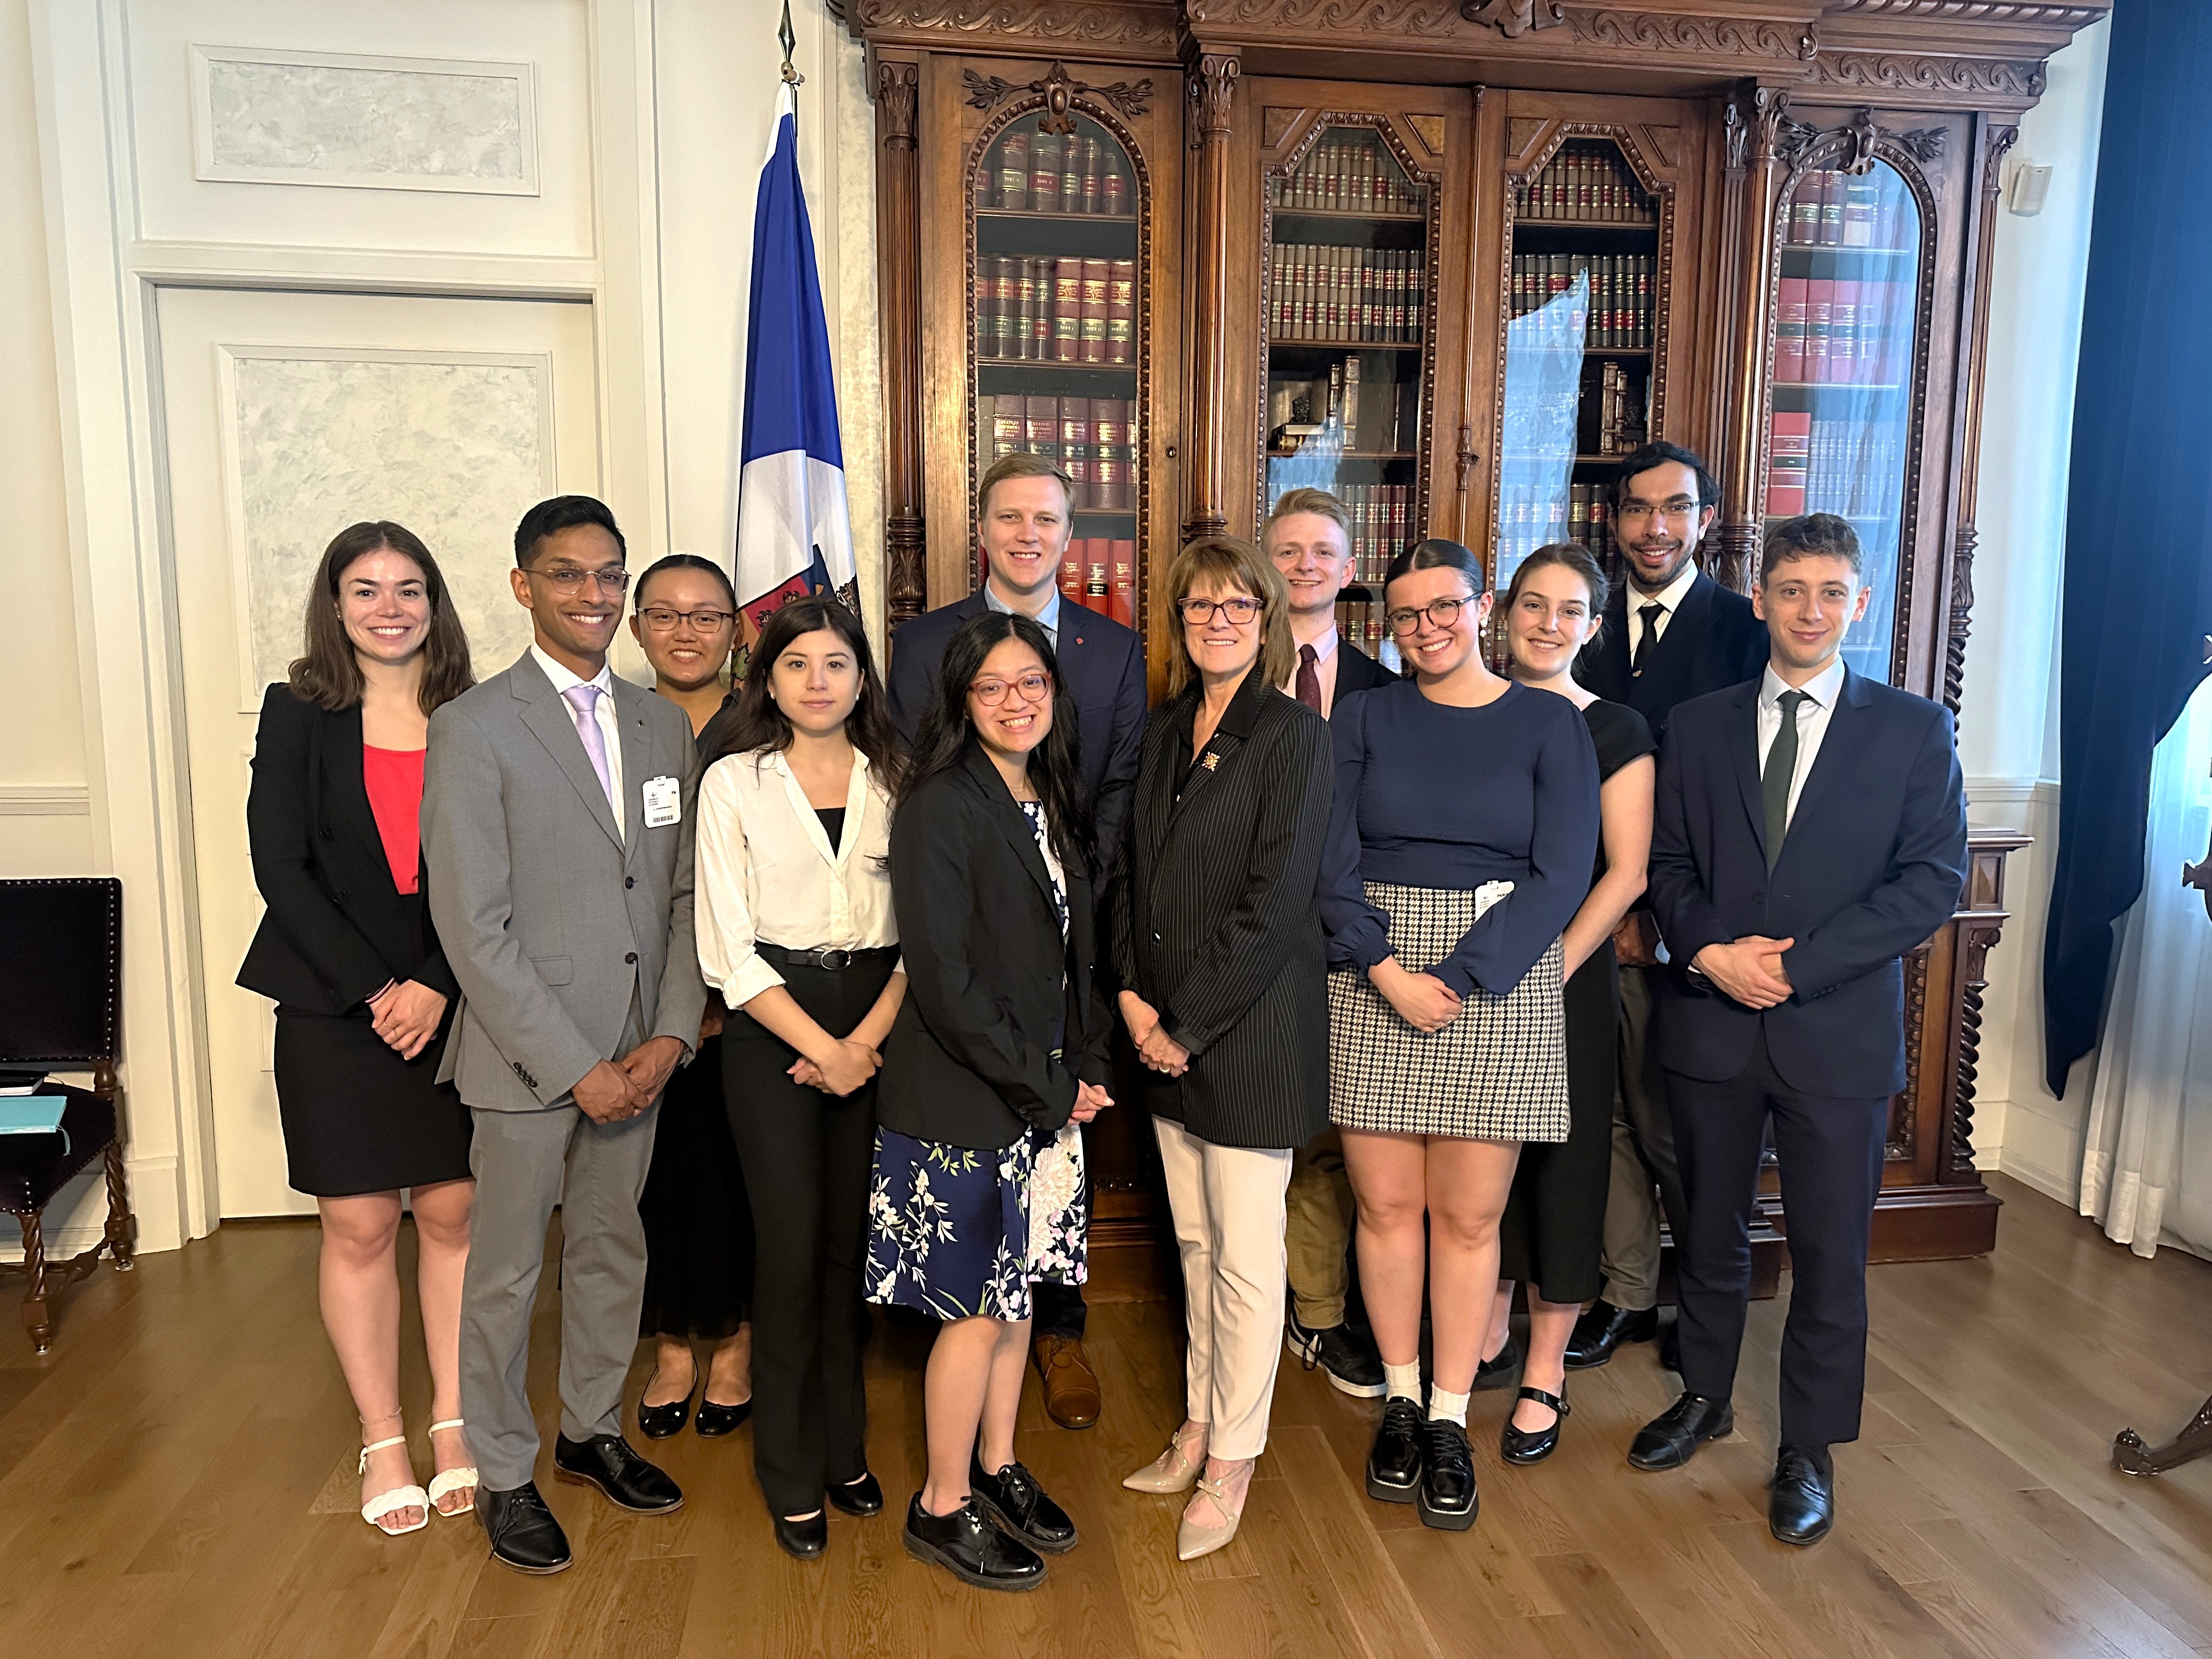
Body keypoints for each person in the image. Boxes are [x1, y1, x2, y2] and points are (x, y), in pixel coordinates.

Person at [1634, 513, 1967, 1547]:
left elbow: (1933, 884)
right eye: (1791, 590)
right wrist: (1712, 956)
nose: (1810, 611)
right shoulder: (1697, 725)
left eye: (1831, 592)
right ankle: (1705, 1395)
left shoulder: (1914, 729)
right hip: (1712, 1023)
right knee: (1710, 1233)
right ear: (1762, 599)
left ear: (1857, 605)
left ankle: (1810, 1448)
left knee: (1829, 1253)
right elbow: (1668, 871)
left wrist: (1798, 968)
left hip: (1836, 1037)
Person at [423, 495, 708, 1576]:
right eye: (567, 574)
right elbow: (471, 926)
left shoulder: (660, 725)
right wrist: (575, 1064)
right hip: (526, 1064)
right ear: (522, 586)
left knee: (610, 1252)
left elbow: (679, 898)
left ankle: (591, 1431)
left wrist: (670, 1036)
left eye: (607, 577)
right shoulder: (475, 727)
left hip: (640, 1055)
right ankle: (503, 1472)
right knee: (504, 1277)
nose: (592, 595)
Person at [1321, 539, 1600, 1533]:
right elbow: (1330, 860)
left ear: (1482, 608)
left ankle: (1449, 1418)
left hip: (1500, 971)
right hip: (1375, 968)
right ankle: (1400, 1401)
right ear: (1386, 627)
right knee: (1387, 1206)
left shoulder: (1550, 725)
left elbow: (1565, 871)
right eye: (1405, 616)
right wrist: (1387, 970)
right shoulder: (1360, 717)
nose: (1427, 628)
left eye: (1444, 607)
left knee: (1470, 1220)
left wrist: (1464, 975)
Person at [887, 450, 1145, 1430]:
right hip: (970, 950)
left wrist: (1071, 886)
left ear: (1068, 535)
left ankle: (1055, 1347)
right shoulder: (921, 646)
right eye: (1009, 518)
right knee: (973, 1272)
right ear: (982, 530)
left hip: (1070, 939)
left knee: (1042, 1217)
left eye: (1047, 519)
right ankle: (964, 1450)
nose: (1028, 534)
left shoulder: (1112, 652)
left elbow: (1110, 794)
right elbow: (921, 781)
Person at [239, 521, 479, 1537]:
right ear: (334, 605)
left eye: (410, 589)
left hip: (459, 996)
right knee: (361, 1224)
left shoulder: (479, 712)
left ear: (437, 602)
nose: (390, 609)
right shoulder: (297, 713)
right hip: (337, 1006)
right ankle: (384, 1434)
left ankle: (455, 1422)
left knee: (456, 1215)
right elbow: (279, 867)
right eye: (367, 590)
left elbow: (501, 872)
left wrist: (432, 982)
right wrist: (380, 989)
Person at [868, 611, 1115, 1591]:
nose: (1017, 702)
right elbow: (945, 980)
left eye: (1033, 683)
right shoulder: (939, 804)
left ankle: (999, 1465)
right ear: (961, 702)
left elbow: (1074, 953)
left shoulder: (1046, 794)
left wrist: (1086, 1063)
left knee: (1017, 1304)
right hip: (967, 1099)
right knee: (971, 1311)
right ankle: (940, 1506)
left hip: (1047, 1095)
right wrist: (1049, 1087)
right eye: (993, 687)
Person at [1113, 537, 1333, 1561]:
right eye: (1199, 608)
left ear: (1268, 619)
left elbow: (1277, 906)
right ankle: (1201, 1420)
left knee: (1248, 1261)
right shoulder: (1164, 732)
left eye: (1237, 607)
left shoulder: (1291, 735)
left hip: (1242, 1038)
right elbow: (1132, 878)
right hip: (1158, 1033)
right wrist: (1130, 1000)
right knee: (1195, 1248)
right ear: (1179, 620)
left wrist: (1184, 1025)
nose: (1216, 622)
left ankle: (1236, 1453)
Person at [695, 595, 907, 1561]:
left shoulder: (900, 778)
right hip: (770, 1023)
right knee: (787, 1252)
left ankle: (842, 1448)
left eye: (836, 664)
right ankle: (788, 1469)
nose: (818, 681)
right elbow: (726, 949)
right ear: (767, 678)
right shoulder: (734, 784)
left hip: (879, 1021)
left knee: (849, 1250)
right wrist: (820, 1048)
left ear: (862, 678)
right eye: (797, 665)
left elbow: (925, 933)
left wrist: (861, 1041)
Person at [1568, 442, 1768, 1373]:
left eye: (1675, 508)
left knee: (1672, 1124)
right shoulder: (1584, 626)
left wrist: (1675, 917)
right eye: (1638, 510)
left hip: (1685, 926)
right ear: (1613, 524)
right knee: (1599, 1115)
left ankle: (1706, 1299)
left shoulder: (1745, 629)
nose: (1656, 527)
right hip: (1582, 916)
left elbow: (1752, 800)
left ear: (1705, 519)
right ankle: (1628, 1290)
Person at [1485, 544, 1656, 1464]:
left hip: (1562, 977)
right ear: (1502, 615)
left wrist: (1547, 967)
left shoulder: (1617, 729)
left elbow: (1625, 871)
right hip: (1474, 972)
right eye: (1532, 606)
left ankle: (1544, 1370)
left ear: (1593, 626)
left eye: (1569, 611)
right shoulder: (1474, 712)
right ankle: (1485, 1332)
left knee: (1564, 1162)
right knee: (1480, 1159)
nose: (1548, 625)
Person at [1261, 487, 1396, 1398]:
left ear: (1350, 572)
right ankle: (1263, 1310)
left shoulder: (1391, 693)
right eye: (1287, 550)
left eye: (1324, 551)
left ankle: (1319, 1313)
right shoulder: (1217, 670)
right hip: (1247, 938)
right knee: (1257, 1135)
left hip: (1350, 941)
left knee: (1333, 1137)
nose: (1306, 564)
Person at [625, 556, 756, 1442]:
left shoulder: (770, 716)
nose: (685, 631)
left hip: (749, 989)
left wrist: (720, 991)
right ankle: (672, 1345)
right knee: (655, 1175)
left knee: (738, 1171)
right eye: (665, 615)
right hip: (638, 985)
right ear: (636, 627)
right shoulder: (616, 718)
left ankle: (738, 1341)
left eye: (706, 616)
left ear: (738, 628)